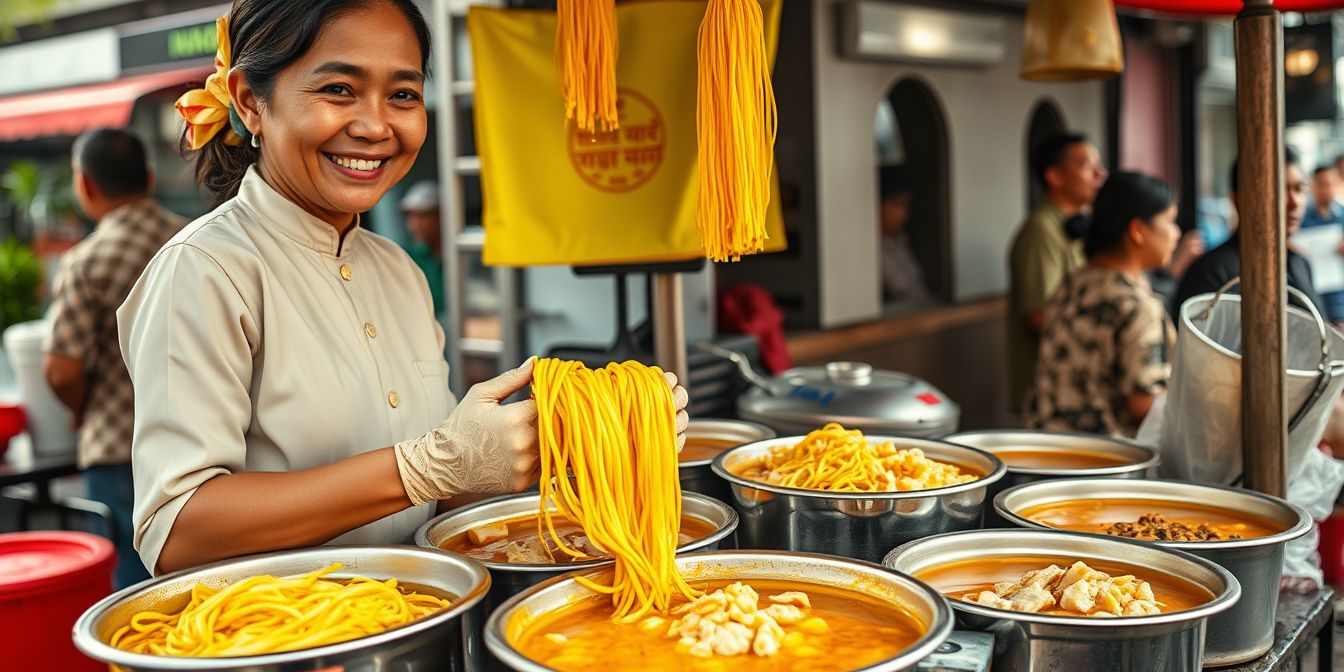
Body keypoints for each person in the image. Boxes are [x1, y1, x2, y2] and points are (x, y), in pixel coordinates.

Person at [116, 0, 688, 576]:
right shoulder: (204, 270)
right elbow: (176, 532)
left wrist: (562, 442)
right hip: (288, 650)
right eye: (339, 89)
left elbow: (441, 494)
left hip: (420, 617)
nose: (375, 126)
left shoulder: (400, 273)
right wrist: (423, 466)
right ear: (249, 101)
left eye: (403, 95)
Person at [42, 129, 185, 589]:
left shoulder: (87, 261)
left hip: (118, 449)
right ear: (147, 176)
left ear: (85, 185)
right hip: (203, 441)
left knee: (138, 596)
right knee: (204, 584)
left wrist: (82, 408)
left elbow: (62, 371)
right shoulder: (195, 238)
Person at [1025, 172, 1180, 438]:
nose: (1176, 234)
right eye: (1169, 221)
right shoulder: (1137, 305)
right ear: (1138, 231)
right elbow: (1143, 404)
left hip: (1044, 445)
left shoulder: (1075, 282)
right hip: (1105, 460)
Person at [1008, 132, 1107, 414]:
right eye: (1087, 165)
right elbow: (1039, 314)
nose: (1100, 173)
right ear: (1054, 176)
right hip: (1051, 391)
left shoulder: (1074, 226)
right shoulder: (1042, 230)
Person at [1174, 148, 1326, 318]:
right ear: (1238, 200)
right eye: (1279, 190)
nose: (1294, 202)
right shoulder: (1212, 272)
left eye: (1299, 189)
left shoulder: (1299, 263)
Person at [877, 164, 928, 303]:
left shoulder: (899, 241)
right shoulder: (865, 251)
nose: (903, 215)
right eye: (896, 205)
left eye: (905, 206)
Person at [399, 179, 445, 315]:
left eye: (424, 216)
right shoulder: (405, 257)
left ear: (442, 215)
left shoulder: (463, 255)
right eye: (411, 217)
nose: (415, 225)